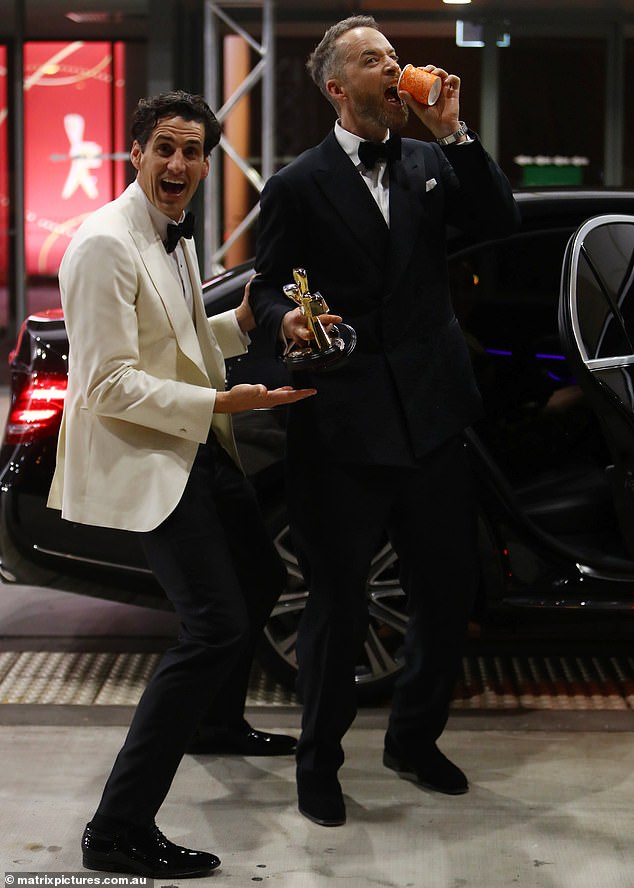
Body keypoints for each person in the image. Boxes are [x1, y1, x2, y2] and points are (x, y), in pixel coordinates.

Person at [249, 16, 520, 827]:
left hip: (434, 418)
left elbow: (500, 223)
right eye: (375, 60)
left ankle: (413, 739)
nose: (395, 66)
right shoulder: (296, 184)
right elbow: (265, 287)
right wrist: (283, 323)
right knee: (339, 605)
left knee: (446, 592)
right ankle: (318, 762)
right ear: (339, 87)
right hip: (341, 426)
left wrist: (457, 132)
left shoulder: (433, 163)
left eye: (395, 56)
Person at [47, 90, 316, 877]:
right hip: (145, 454)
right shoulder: (104, 243)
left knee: (262, 573)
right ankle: (118, 828)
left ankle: (216, 724)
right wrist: (222, 400)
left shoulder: (172, 234)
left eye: (192, 151)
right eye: (164, 147)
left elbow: (192, 333)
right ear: (135, 151)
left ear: (206, 161)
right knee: (212, 627)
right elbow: (107, 385)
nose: (178, 165)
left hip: (195, 442)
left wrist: (273, 324)